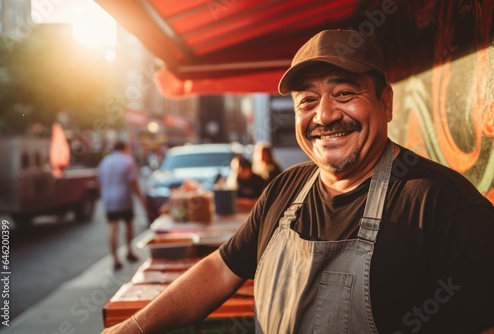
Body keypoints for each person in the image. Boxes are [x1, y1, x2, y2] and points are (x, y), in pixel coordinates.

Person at [102, 29, 494, 334]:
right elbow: (221, 269)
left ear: (386, 103)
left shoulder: (444, 204)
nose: (324, 115)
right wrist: (134, 326)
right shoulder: (285, 188)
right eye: (307, 100)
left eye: (344, 92)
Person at [98, 141, 146, 271]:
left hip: (109, 199)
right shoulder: (128, 160)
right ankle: (129, 251)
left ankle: (115, 259)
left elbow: (101, 182)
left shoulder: (105, 162)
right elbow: (133, 182)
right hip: (123, 198)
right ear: (125, 148)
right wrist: (140, 198)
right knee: (129, 224)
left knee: (113, 227)